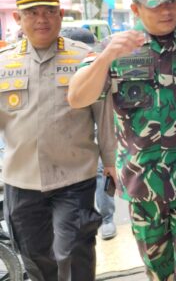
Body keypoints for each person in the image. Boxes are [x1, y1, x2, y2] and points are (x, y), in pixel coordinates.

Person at [67, 0, 176, 280]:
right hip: (143, 187)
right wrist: (107, 57)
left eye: (171, 3)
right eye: (156, 6)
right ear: (136, 10)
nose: (167, 11)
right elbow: (77, 97)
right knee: (158, 272)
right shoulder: (114, 48)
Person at [1, 0, 116, 281]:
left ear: (61, 15)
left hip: (74, 177)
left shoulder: (84, 58)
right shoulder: (3, 63)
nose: (42, 19)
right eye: (32, 13)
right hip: (21, 179)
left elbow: (104, 116)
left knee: (74, 251)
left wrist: (113, 164)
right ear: (17, 17)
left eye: (50, 11)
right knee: (34, 257)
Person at [59, 27, 118, 240]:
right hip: (71, 139)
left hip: (95, 131)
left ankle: (107, 219)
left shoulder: (98, 65)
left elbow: (106, 116)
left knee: (104, 172)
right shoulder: (62, 66)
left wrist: (109, 154)